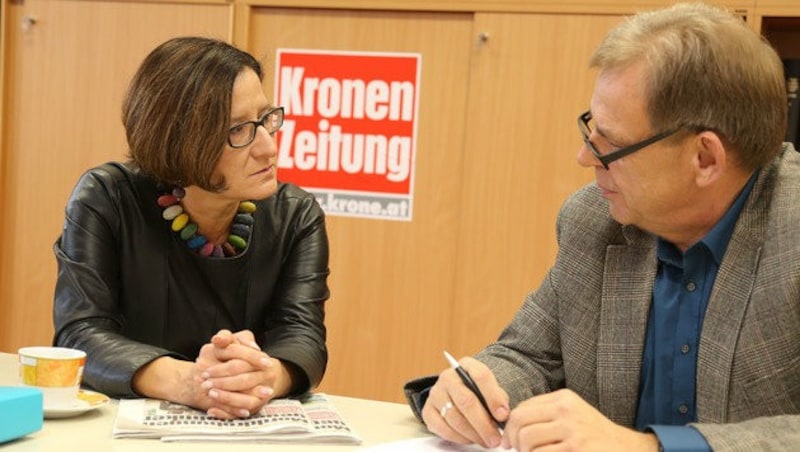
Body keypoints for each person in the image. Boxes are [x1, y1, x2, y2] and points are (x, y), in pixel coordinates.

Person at [405, 3, 800, 451]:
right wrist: (475, 392)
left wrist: (649, 447)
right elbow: (529, 356)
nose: (585, 158)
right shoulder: (595, 220)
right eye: (590, 129)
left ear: (705, 158)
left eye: (611, 145)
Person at [52, 36, 330, 420]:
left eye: (266, 119)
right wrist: (187, 382)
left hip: (243, 425)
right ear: (180, 140)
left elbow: (303, 336)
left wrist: (265, 376)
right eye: (238, 130)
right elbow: (79, 334)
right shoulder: (106, 199)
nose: (268, 147)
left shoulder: (296, 214)